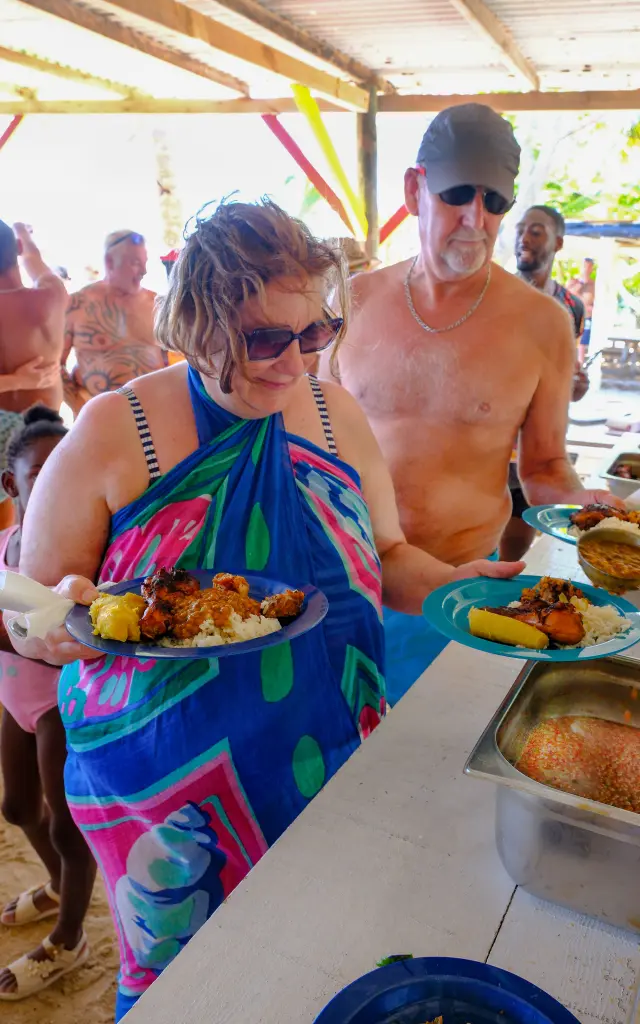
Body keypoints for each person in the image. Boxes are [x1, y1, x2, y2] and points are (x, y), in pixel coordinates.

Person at [10, 198, 522, 1020]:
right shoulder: (115, 432)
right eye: (263, 339)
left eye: (315, 332)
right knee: (199, 993)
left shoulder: (332, 410)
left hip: (334, 760)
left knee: (324, 966)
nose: (295, 362)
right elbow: (29, 610)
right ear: (192, 322)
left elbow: (387, 555)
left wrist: (466, 588)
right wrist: (57, 620)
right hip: (170, 807)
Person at [320, 104, 621, 703]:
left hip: (458, 588)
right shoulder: (351, 301)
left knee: (419, 770)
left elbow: (541, 471)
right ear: (415, 188)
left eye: (494, 201)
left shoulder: (544, 324)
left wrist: (595, 510)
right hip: (335, 581)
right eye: (457, 194)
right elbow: (308, 437)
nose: (474, 219)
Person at [0, 407, 96, 1001]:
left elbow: (67, 641)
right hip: (14, 696)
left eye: (70, 468)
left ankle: (68, 936)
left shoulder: (83, 557)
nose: (60, 482)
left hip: (61, 705)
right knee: (16, 808)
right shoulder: (7, 546)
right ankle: (61, 887)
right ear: (10, 485)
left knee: (67, 826)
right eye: (42, 473)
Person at [500, 205, 590, 560]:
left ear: (559, 243)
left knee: (517, 542)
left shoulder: (571, 307)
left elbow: (569, 376)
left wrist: (578, 387)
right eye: (520, 229)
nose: (524, 237)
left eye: (536, 231)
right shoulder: (492, 296)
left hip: (537, 448)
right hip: (489, 441)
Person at [0, 221, 65, 529]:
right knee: (43, 529)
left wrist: (14, 381)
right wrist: (23, 233)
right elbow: (35, 262)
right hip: (42, 436)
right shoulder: (50, 297)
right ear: (18, 250)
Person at [62, 230, 165, 417]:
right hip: (100, 417)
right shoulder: (76, 305)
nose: (143, 271)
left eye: (145, 262)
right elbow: (54, 365)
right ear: (109, 262)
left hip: (156, 413)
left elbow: (171, 360)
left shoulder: (156, 304)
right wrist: (79, 407)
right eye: (135, 263)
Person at [568, 257, 596, 363]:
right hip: (573, 315)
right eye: (585, 266)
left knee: (582, 342)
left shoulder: (593, 285)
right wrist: (581, 282)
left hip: (587, 317)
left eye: (589, 267)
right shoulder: (573, 282)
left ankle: (580, 363)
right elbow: (569, 294)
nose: (586, 269)